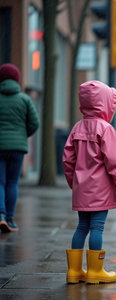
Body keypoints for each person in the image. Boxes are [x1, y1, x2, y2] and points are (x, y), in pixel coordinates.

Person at [63, 80, 116, 284]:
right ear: (105, 103)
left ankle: (74, 271)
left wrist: (73, 182)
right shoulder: (105, 129)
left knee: (81, 226)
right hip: (100, 189)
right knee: (97, 228)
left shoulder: (77, 128)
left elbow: (67, 159)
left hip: (81, 187)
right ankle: (94, 271)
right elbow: (113, 160)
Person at [0, 63, 39, 233]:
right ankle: (10, 219)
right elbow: (34, 123)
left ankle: (1, 216)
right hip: (17, 148)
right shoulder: (24, 99)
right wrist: (22, 135)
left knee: (0, 182)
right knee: (12, 183)